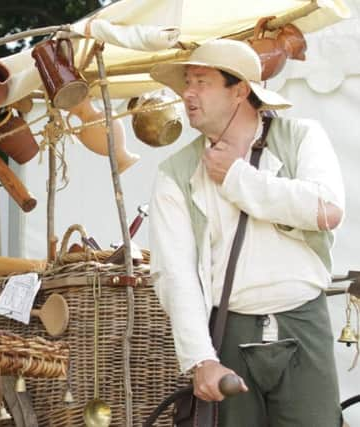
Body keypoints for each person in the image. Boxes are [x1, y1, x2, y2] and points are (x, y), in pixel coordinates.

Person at [148, 39, 345, 426]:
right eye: (187, 82)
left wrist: (238, 178)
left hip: (303, 322)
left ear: (239, 88)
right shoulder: (175, 174)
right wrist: (202, 360)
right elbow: (175, 275)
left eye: (201, 81)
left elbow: (327, 210)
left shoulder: (302, 136)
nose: (188, 93)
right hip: (228, 333)